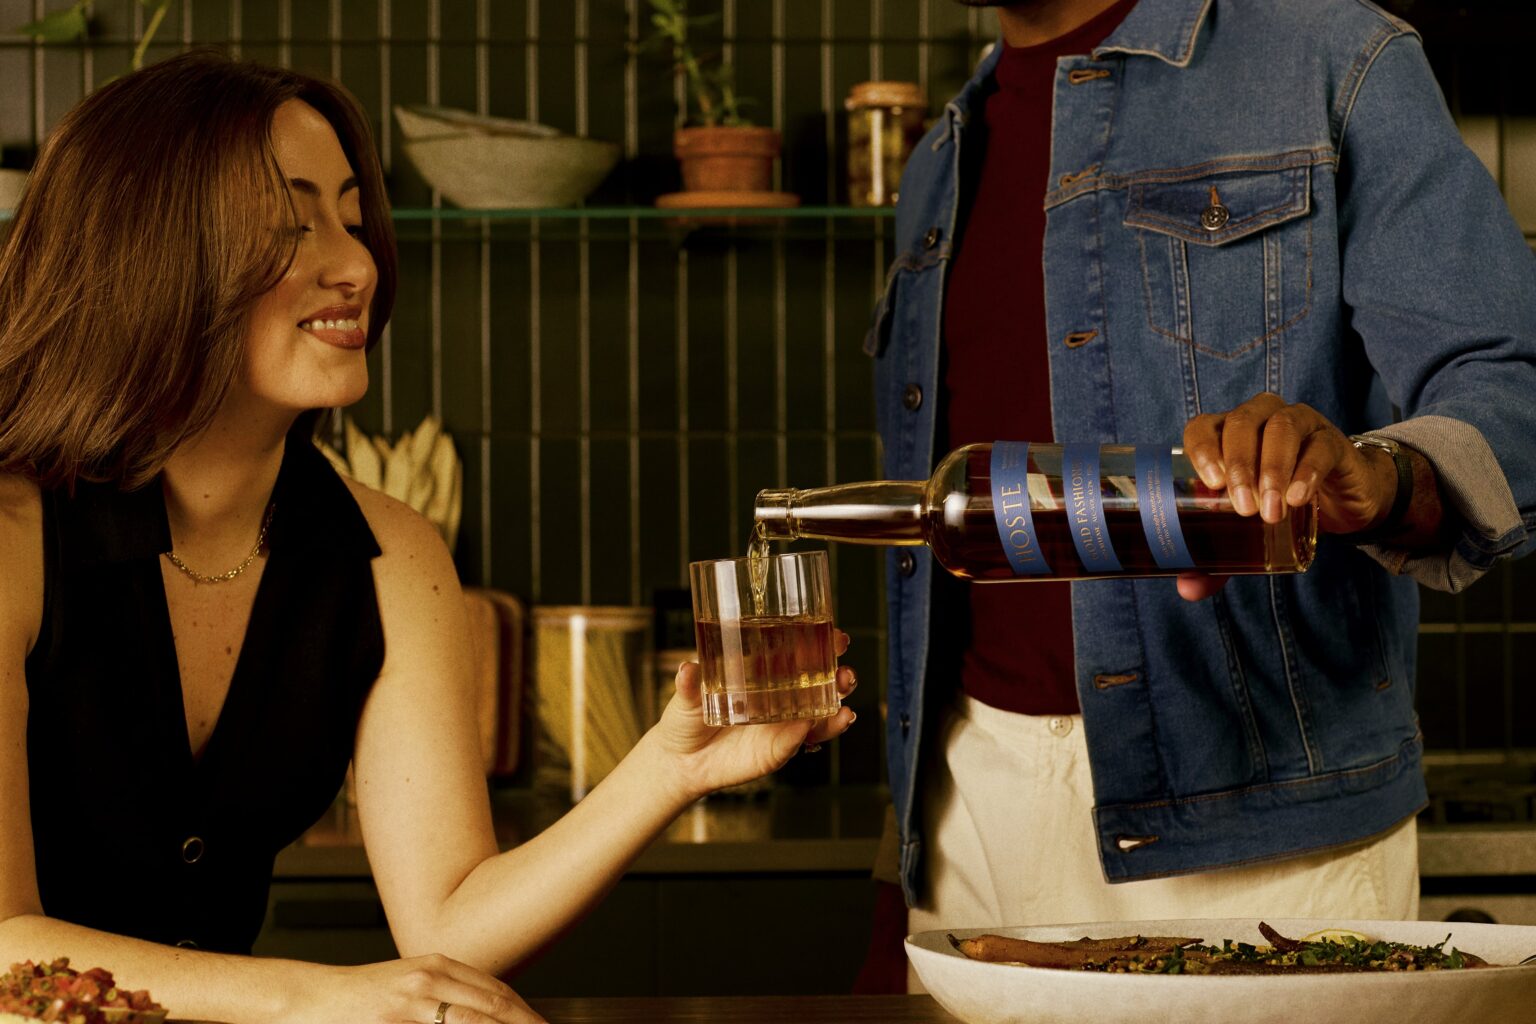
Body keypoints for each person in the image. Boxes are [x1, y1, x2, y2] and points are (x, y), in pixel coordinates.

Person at [0, 51, 857, 1024]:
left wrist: (673, 763)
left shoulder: (388, 554)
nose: (357, 263)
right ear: (146, 249)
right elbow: (0, 945)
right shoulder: (12, 533)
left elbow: (448, 921)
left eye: (353, 218)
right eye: (290, 224)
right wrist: (324, 997)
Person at [863, 0, 1536, 987]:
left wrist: (1373, 476)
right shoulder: (939, 159)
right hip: (970, 832)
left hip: (1262, 850)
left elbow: (1509, 383)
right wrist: (902, 874)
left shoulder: (1335, 57)